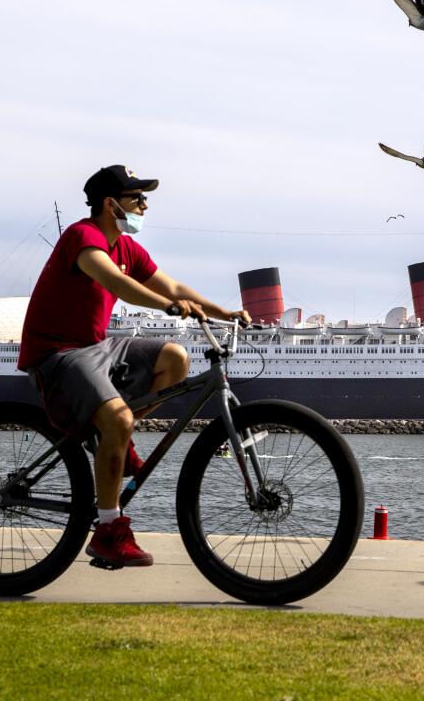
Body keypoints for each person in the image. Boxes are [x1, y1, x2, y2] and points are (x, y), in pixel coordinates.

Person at [17, 165, 251, 566]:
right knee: (118, 419)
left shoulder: (128, 248)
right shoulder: (83, 236)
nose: (144, 205)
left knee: (176, 358)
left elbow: (174, 287)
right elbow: (117, 284)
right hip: (57, 354)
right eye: (137, 198)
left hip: (95, 348)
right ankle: (108, 530)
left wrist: (224, 312)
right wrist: (168, 306)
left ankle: (117, 439)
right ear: (111, 204)